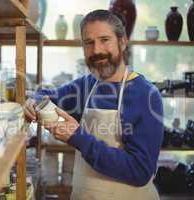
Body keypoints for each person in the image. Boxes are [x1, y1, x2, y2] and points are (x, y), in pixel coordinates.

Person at [25, 9, 163, 200]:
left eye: (105, 40)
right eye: (89, 43)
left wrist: (78, 137)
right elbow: (50, 96)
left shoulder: (145, 94)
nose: (97, 50)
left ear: (122, 43)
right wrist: (34, 101)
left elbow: (140, 171)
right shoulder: (88, 84)